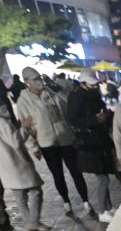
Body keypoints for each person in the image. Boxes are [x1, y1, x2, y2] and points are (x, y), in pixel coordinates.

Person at [15, 66, 91, 216]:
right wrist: (34, 148)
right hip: (47, 143)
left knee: (76, 171)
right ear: (27, 82)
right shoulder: (23, 101)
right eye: (35, 79)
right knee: (57, 174)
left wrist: (55, 89)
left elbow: (66, 108)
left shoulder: (51, 93)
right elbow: (26, 126)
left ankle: (85, 200)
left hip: (65, 139)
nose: (39, 82)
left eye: (40, 78)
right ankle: (66, 201)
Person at [0, 91, 48, 231]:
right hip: (16, 164)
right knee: (36, 191)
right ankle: (33, 221)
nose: (2, 103)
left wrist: (17, 128)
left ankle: (30, 223)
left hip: (5, 164)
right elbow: (16, 142)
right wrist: (25, 127)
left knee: (20, 197)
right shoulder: (1, 122)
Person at [67, 70, 117, 221]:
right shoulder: (76, 97)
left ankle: (107, 208)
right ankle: (102, 211)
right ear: (83, 83)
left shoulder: (93, 94)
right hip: (90, 142)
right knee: (103, 178)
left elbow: (102, 108)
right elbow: (74, 120)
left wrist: (105, 116)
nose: (94, 86)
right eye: (91, 84)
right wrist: (95, 120)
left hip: (100, 139)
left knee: (105, 174)